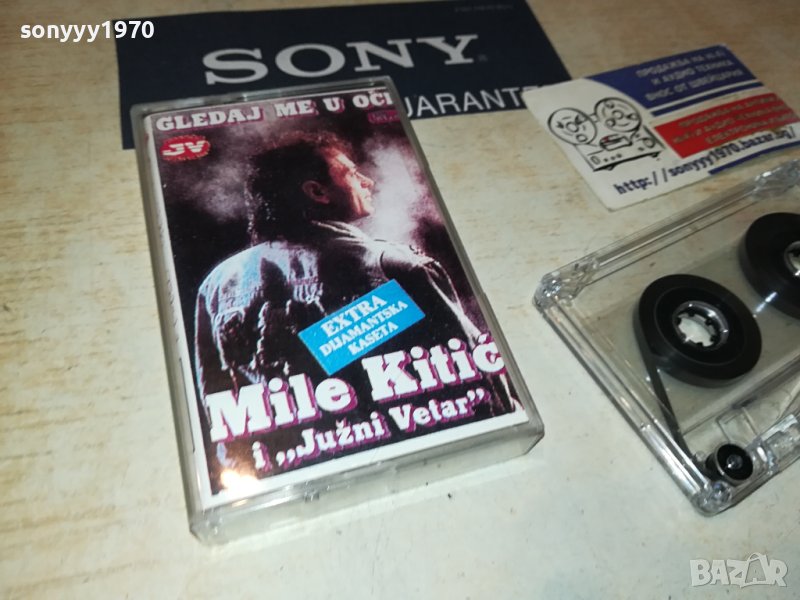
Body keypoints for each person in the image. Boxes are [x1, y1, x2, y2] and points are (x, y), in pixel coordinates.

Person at [194, 131, 484, 401]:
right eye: (351, 173)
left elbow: (216, 398)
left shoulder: (217, 284)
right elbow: (476, 373)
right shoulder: (394, 267)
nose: (367, 182)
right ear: (318, 192)